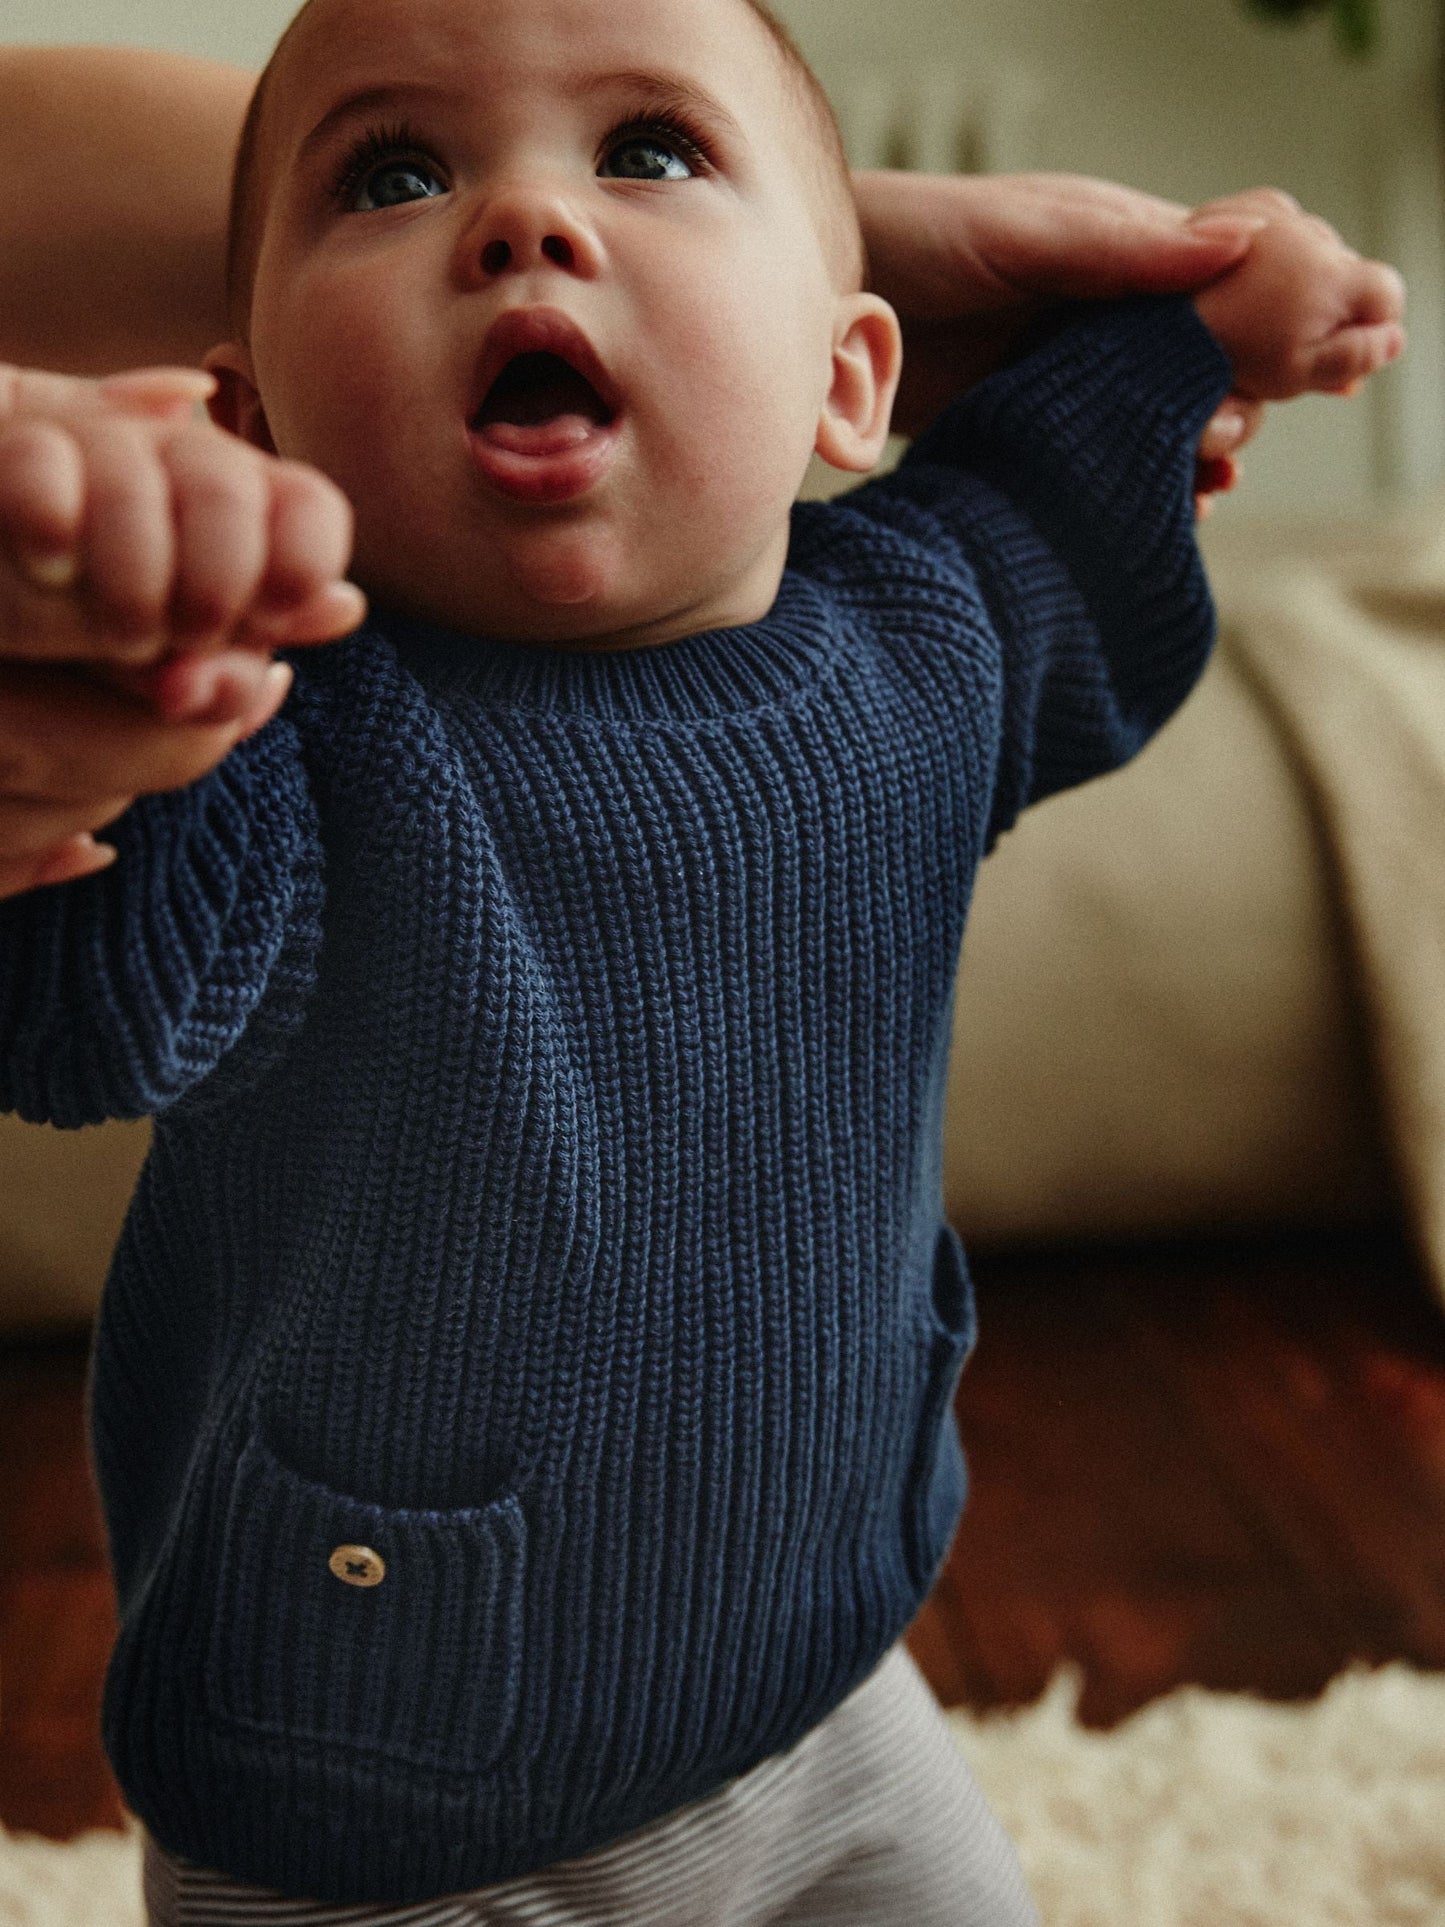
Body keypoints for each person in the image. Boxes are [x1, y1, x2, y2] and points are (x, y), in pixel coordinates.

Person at [0, 1, 1405, 1922]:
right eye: (392, 175)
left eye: (646, 152)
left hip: (827, 1692)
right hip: (373, 1793)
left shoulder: (918, 631)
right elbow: (90, 1004)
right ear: (252, 419)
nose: (520, 219)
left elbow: (1056, 510)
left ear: (852, 378)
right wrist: (157, 658)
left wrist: (1203, 328)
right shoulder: (292, 744)